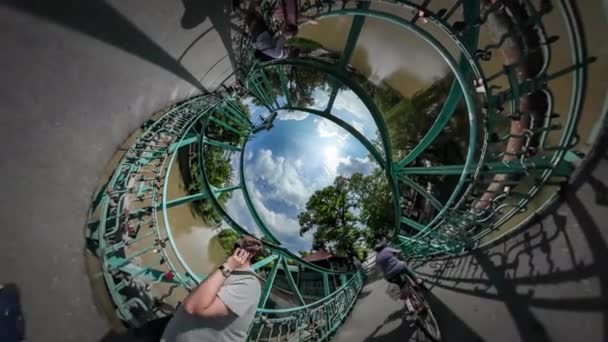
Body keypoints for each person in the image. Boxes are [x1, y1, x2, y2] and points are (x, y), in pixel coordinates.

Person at [161, 236, 263, 342]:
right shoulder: (230, 272)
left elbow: (193, 307)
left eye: (237, 247)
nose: (232, 249)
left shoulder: (249, 285)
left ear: (249, 255)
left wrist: (228, 265)